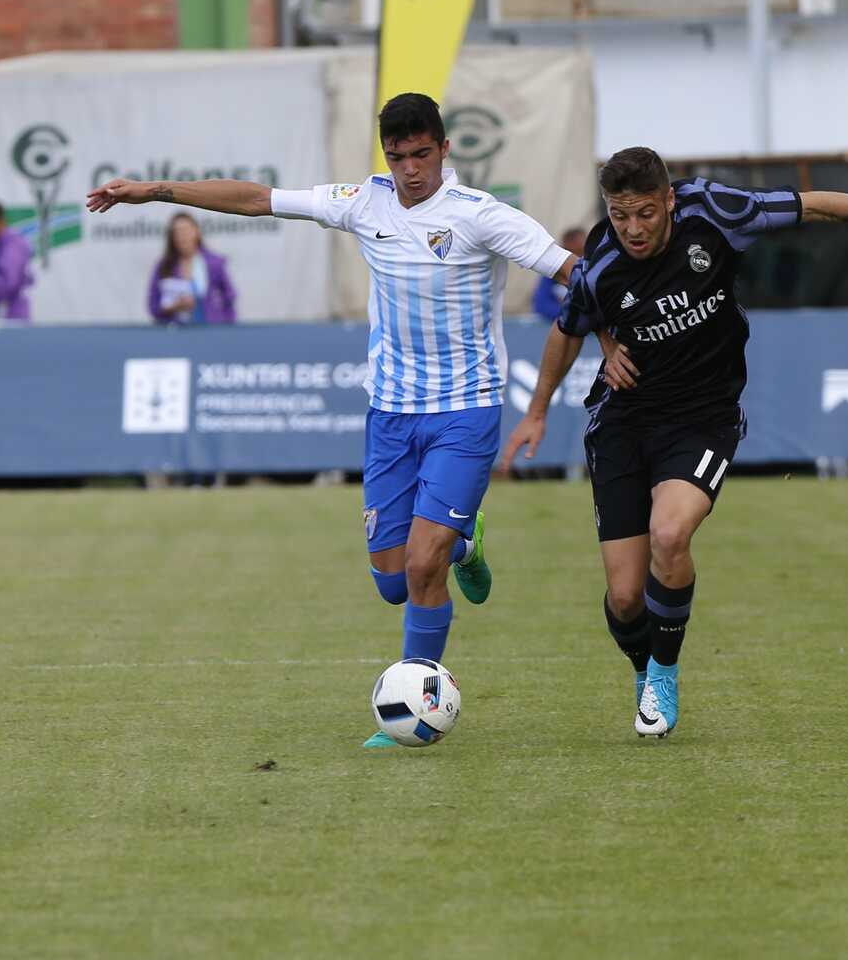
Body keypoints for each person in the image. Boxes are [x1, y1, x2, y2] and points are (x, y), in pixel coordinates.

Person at [87, 92, 579, 746]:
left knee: (422, 565)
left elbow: (573, 272)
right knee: (393, 581)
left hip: (465, 410)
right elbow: (258, 199)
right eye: (398, 157)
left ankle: (414, 707)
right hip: (390, 415)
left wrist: (623, 330)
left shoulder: (480, 215)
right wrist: (156, 192)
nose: (410, 170)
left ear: (444, 149)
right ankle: (466, 541)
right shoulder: (363, 202)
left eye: (422, 155)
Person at [503, 149, 848, 739]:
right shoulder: (601, 264)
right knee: (625, 597)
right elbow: (568, 330)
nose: (633, 229)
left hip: (704, 416)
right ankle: (643, 669)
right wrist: (540, 409)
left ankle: (664, 674)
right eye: (620, 216)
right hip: (623, 421)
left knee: (671, 534)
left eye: (645, 213)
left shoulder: (716, 211)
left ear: (669, 200)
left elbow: (815, 205)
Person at [147, 212, 238, 325]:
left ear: (196, 232)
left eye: (186, 230)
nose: (182, 236)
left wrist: (228, 328)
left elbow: (229, 299)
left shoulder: (215, 263)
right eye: (176, 232)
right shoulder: (163, 266)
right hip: (176, 331)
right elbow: (153, 307)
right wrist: (174, 307)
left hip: (211, 329)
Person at [531, 227, 588, 319]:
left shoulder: (597, 272)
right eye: (572, 253)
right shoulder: (552, 273)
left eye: (581, 252)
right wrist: (572, 314)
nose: (577, 259)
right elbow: (541, 305)